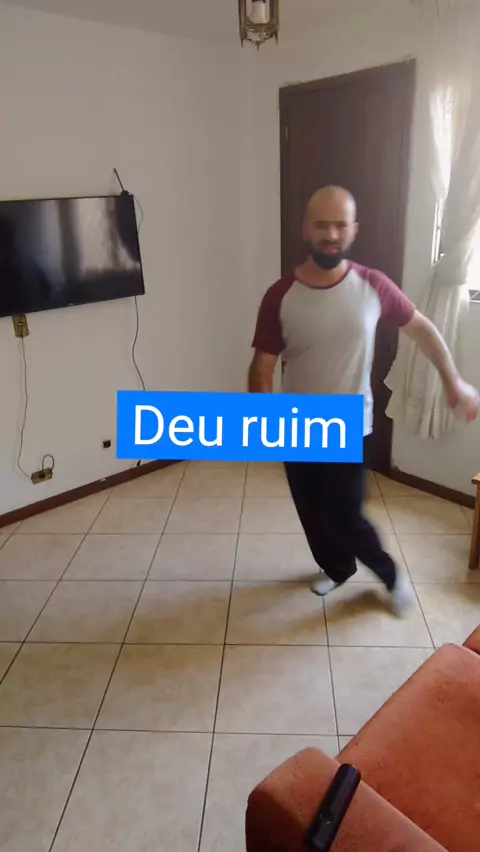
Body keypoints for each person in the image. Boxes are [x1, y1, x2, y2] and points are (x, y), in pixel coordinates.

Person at [248, 185, 479, 616]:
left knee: (346, 516)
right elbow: (261, 368)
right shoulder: (280, 295)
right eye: (322, 225)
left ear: (354, 230)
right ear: (306, 229)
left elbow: (424, 331)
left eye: (340, 225)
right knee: (311, 512)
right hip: (298, 427)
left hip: (350, 427)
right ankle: (338, 569)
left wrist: (454, 383)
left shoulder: (373, 286)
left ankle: (390, 576)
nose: (331, 234)